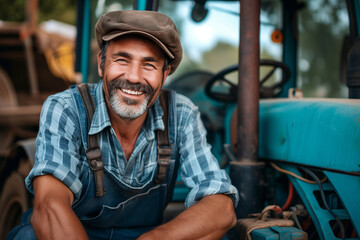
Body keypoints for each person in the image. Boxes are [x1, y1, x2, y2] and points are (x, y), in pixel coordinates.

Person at [8, 10, 239, 240]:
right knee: (30, 235)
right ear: (101, 63)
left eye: (149, 65)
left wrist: (153, 239)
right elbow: (49, 206)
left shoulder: (181, 114)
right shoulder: (66, 109)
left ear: (165, 73)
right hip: (73, 232)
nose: (135, 77)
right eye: (122, 60)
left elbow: (221, 207)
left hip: (146, 235)